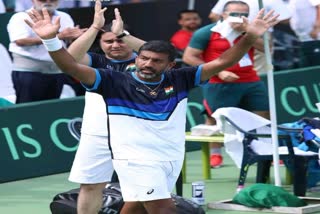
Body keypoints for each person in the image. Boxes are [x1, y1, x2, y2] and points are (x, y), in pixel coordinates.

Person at [25, 6, 278, 213]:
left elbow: (224, 61)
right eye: (143, 58)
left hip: (168, 157)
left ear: (170, 66)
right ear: (136, 59)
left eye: (156, 61)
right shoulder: (113, 81)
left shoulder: (182, 78)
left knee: (135, 206)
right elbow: (70, 65)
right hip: (134, 158)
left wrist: (251, 36)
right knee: (163, 209)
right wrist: (50, 40)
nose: (147, 64)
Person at [65, 1, 142, 213]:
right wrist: (94, 28)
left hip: (138, 134)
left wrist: (123, 33)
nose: (115, 44)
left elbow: (159, 54)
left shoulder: (146, 62)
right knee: (90, 185)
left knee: (142, 188)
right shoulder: (95, 61)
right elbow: (70, 58)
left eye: (120, 40)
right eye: (109, 41)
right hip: (98, 134)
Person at [183, 1, 270, 168]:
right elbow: (189, 57)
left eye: (244, 14)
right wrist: (219, 72)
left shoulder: (250, 30)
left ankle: (266, 151)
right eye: (235, 14)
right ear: (223, 14)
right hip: (218, 83)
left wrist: (247, 32)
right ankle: (215, 155)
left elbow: (267, 49)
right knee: (217, 119)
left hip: (250, 79)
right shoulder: (206, 33)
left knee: (262, 116)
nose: (239, 18)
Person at [7, 0, 86, 103]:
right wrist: (59, 36)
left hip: (57, 70)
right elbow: (20, 41)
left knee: (51, 108)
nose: (48, 1)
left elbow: (67, 41)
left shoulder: (64, 16)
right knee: (27, 109)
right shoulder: (20, 17)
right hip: (29, 72)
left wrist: (76, 36)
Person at [208, 0, 291, 75]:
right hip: (239, 34)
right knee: (259, 71)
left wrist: (227, 27)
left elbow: (214, 15)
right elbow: (285, 19)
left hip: (252, 35)